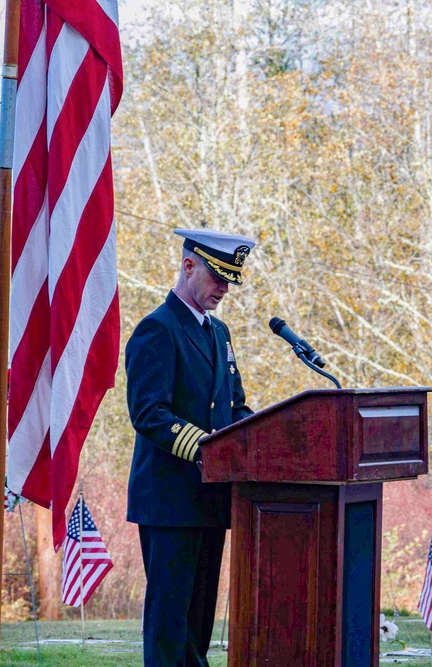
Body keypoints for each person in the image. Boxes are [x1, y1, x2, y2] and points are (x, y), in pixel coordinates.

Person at [124, 227, 255, 666]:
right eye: (217, 277)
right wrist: (210, 448)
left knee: (197, 620)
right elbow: (149, 413)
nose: (224, 288)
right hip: (170, 498)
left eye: (230, 280)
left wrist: (263, 434)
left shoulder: (218, 333)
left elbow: (232, 405)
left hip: (209, 497)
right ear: (188, 266)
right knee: (169, 619)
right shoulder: (156, 330)